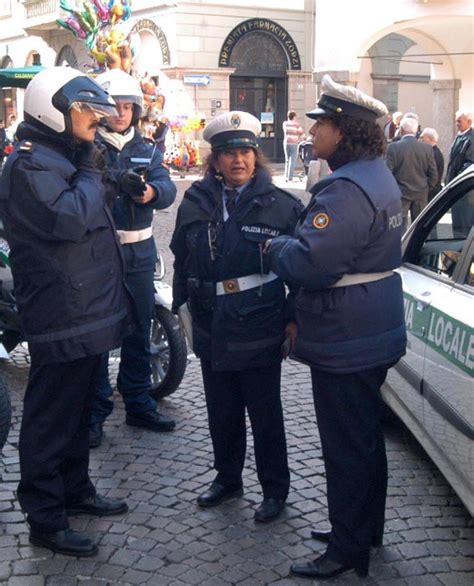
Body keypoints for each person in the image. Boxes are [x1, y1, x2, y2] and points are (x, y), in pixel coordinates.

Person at [264, 75, 407, 580]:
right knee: (365, 437)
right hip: (374, 322)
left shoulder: (346, 188)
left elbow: (309, 264)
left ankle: (347, 548)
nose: (313, 129)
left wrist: (275, 247)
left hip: (349, 332)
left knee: (346, 445)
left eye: (321, 122)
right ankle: (364, 529)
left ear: (343, 130)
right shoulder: (375, 174)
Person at [0, 67, 131, 557]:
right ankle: (45, 517)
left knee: (77, 412)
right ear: (50, 111)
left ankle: (76, 490)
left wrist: (115, 178)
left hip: (87, 308)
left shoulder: (63, 156)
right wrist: (96, 172)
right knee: (51, 418)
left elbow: (89, 202)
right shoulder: (30, 164)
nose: (95, 121)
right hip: (61, 311)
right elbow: (69, 216)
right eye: (85, 112)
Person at [170, 111, 303, 522]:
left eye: (245, 151)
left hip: (260, 321)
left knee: (265, 413)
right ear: (215, 159)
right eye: (228, 153)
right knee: (221, 410)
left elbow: (299, 273)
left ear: (256, 155)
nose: (238, 161)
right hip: (211, 322)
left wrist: (293, 318)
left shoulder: (282, 207)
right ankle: (227, 478)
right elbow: (180, 257)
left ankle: (274, 489)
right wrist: (182, 310)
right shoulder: (195, 201)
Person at [88, 69, 177, 448]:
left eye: (128, 106)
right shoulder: (86, 145)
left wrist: (151, 192)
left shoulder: (149, 147)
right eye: (115, 106)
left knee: (140, 326)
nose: (121, 113)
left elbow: (169, 187)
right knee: (96, 333)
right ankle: (94, 413)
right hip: (100, 251)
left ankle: (138, 402)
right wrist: (112, 181)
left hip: (139, 250)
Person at [386, 117, 437, 231]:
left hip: (400, 193)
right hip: (420, 192)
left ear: (402, 130)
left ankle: (401, 247)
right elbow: (433, 174)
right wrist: (427, 188)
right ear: (416, 131)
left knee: (399, 228)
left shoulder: (393, 147)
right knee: (419, 227)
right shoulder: (427, 148)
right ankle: (418, 247)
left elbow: (387, 174)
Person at [445, 109, 473, 183]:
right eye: (456, 121)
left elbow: (469, 163)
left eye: (459, 121)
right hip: (452, 180)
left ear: (469, 122)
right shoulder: (459, 136)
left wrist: (458, 180)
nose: (457, 124)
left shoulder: (471, 138)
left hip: (460, 183)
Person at [420, 127, 444, 201]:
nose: (421, 140)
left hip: (431, 192)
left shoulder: (434, 154)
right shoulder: (431, 152)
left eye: (423, 138)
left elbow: (433, 175)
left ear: (430, 139)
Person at [283, 110, 304, 181]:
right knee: (293, 160)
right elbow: (301, 133)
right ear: (294, 116)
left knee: (287, 160)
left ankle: (285, 176)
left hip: (286, 143)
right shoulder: (296, 124)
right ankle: (290, 177)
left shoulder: (285, 124)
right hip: (294, 143)